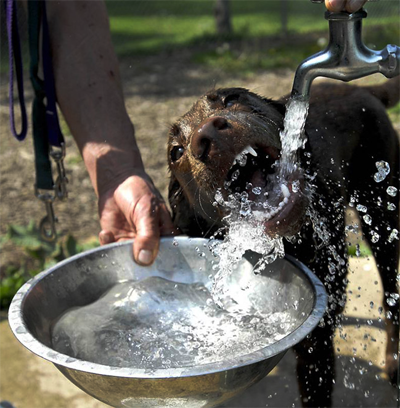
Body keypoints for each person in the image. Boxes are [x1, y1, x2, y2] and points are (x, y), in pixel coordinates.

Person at [30, 0, 367, 266]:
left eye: (230, 102)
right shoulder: (201, 227)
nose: (206, 131)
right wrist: (117, 176)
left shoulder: (319, 169)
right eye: (179, 152)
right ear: (185, 210)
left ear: (284, 121)